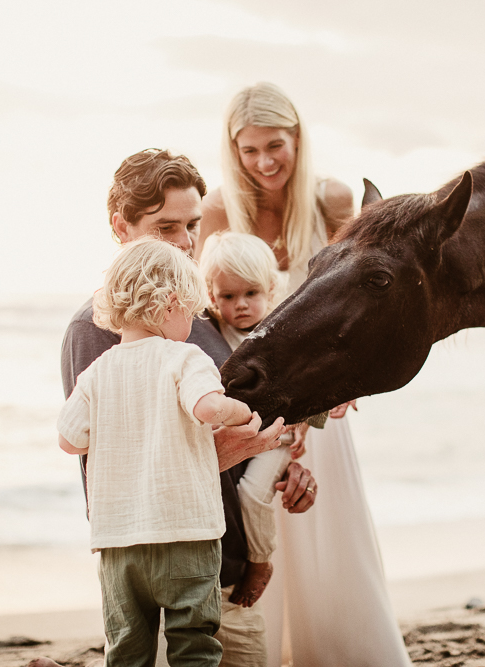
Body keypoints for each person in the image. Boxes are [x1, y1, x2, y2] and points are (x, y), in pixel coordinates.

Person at [59, 149, 318, 667]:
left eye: (193, 224)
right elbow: (110, 468)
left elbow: (232, 423)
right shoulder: (95, 328)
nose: (184, 241)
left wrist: (284, 464)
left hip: (228, 557)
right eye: (166, 227)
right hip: (167, 567)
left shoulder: (198, 313)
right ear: (120, 227)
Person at [200, 83, 413, 667]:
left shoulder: (330, 199)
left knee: (330, 543)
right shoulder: (218, 209)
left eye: (277, 145)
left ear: (298, 138)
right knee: (254, 519)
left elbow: (365, 301)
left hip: (323, 402)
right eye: (250, 150)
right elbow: (205, 316)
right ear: (233, 150)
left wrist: (351, 383)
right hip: (250, 404)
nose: (265, 162)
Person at [58, 237, 259, 666]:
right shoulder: (185, 357)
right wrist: (240, 411)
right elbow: (206, 407)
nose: (192, 321)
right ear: (171, 304)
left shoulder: (97, 371)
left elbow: (70, 439)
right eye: (191, 310)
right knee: (194, 644)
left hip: (118, 545)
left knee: (127, 649)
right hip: (185, 533)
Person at [198, 231, 296, 610]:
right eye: (228, 296)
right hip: (240, 434)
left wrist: (303, 426)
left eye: (251, 294)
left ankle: (259, 561)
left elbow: (309, 382)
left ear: (271, 288)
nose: (240, 305)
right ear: (211, 296)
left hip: (276, 434)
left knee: (252, 494)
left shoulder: (280, 331)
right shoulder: (211, 329)